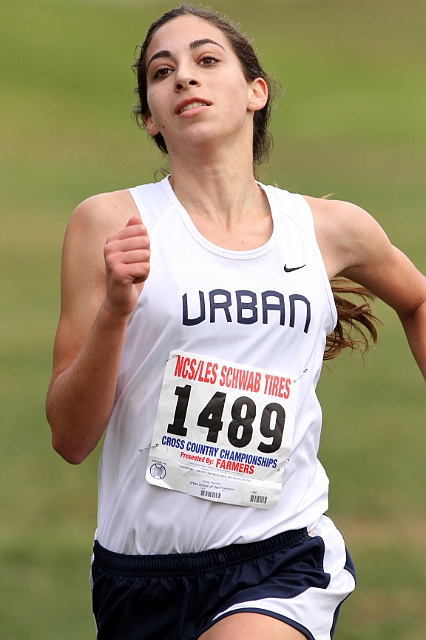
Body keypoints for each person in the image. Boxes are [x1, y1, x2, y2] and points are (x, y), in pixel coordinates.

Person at [46, 4, 426, 640]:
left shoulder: (329, 229)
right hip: (138, 575)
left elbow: (416, 299)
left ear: (256, 91)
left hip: (281, 555)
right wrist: (115, 310)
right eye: (162, 72)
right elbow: (69, 438)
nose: (184, 78)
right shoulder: (109, 224)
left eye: (206, 60)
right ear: (150, 117)